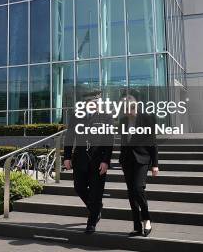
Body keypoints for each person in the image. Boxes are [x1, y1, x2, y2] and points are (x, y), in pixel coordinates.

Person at [63, 90, 113, 234]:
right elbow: (69, 137)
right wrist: (67, 157)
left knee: (96, 192)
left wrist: (106, 161)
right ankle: (96, 208)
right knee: (79, 187)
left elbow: (109, 141)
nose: (95, 105)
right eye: (92, 103)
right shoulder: (76, 116)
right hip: (80, 160)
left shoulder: (106, 117)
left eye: (97, 102)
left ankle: (91, 222)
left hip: (98, 161)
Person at [118, 92, 159, 237]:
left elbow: (152, 142)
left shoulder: (147, 118)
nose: (128, 108)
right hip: (127, 161)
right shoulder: (122, 121)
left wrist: (155, 164)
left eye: (130, 105)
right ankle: (136, 226)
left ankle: (146, 219)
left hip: (142, 159)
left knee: (138, 188)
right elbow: (123, 141)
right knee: (131, 193)